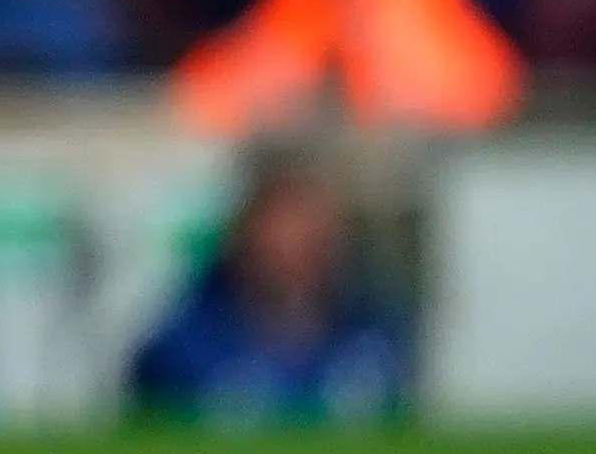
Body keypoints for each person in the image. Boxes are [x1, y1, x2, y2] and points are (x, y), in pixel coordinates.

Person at [127, 157, 407, 426]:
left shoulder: (370, 341)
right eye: (282, 240)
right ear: (246, 240)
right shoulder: (184, 349)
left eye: (313, 241)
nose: (296, 258)